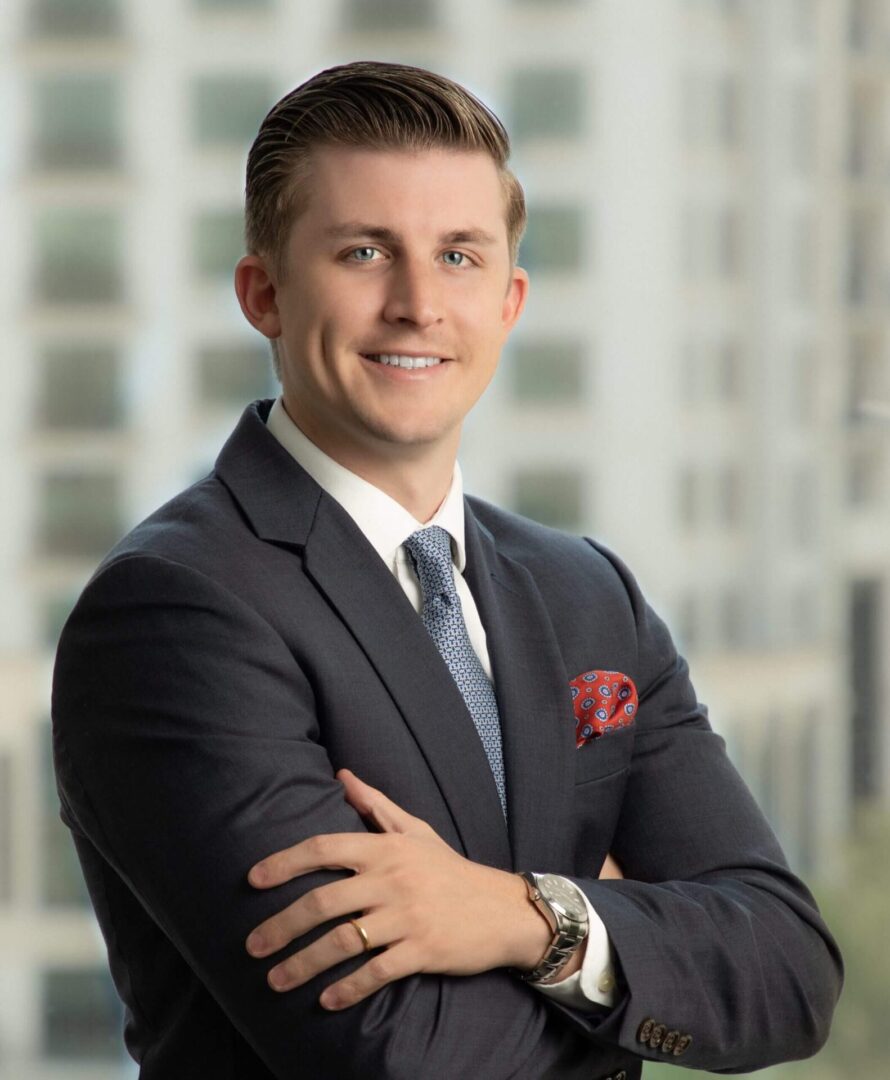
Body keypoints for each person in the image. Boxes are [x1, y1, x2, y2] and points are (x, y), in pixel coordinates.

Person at [51, 60, 842, 1079]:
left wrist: (522, 918)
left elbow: (785, 972)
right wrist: (635, 943)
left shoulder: (585, 593)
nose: (417, 304)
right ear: (263, 294)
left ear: (509, 301)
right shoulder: (175, 610)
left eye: (459, 256)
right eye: (364, 251)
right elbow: (397, 1055)